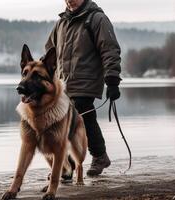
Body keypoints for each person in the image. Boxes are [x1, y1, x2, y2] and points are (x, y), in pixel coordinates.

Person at [45, 0, 122, 177]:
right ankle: (91, 159)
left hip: (86, 82)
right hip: (63, 84)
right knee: (68, 123)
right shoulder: (61, 23)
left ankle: (75, 163)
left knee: (80, 117)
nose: (69, 0)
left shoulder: (97, 19)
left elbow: (110, 50)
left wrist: (112, 80)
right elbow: (50, 51)